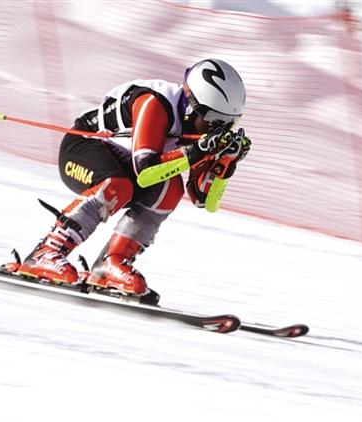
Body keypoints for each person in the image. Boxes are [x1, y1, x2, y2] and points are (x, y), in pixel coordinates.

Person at [14, 58, 252, 296]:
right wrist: (196, 151)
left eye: (230, 124)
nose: (217, 129)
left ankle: (111, 264)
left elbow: (203, 200)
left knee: (171, 188)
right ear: (191, 106)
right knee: (119, 186)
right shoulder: (155, 102)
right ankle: (46, 252)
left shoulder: (203, 130)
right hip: (82, 147)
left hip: (123, 162)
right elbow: (146, 170)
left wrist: (225, 163)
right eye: (212, 120)